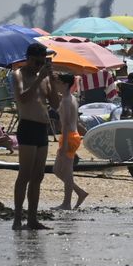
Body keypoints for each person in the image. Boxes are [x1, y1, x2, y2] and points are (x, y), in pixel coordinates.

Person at [11, 43, 55, 231]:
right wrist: (39, 79)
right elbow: (22, 98)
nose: (39, 66)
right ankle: (17, 219)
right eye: (37, 62)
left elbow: (55, 103)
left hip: (42, 128)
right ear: (28, 59)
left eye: (42, 62)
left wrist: (51, 79)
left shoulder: (44, 76)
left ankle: (32, 219)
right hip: (27, 126)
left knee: (38, 176)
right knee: (25, 174)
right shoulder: (18, 75)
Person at [52, 72, 89, 211]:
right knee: (57, 170)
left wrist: (65, 145)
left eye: (59, 82)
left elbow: (67, 123)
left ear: (66, 84)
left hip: (69, 137)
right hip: (69, 136)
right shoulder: (69, 98)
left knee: (67, 172)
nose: (56, 85)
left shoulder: (68, 100)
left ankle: (66, 203)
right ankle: (80, 192)